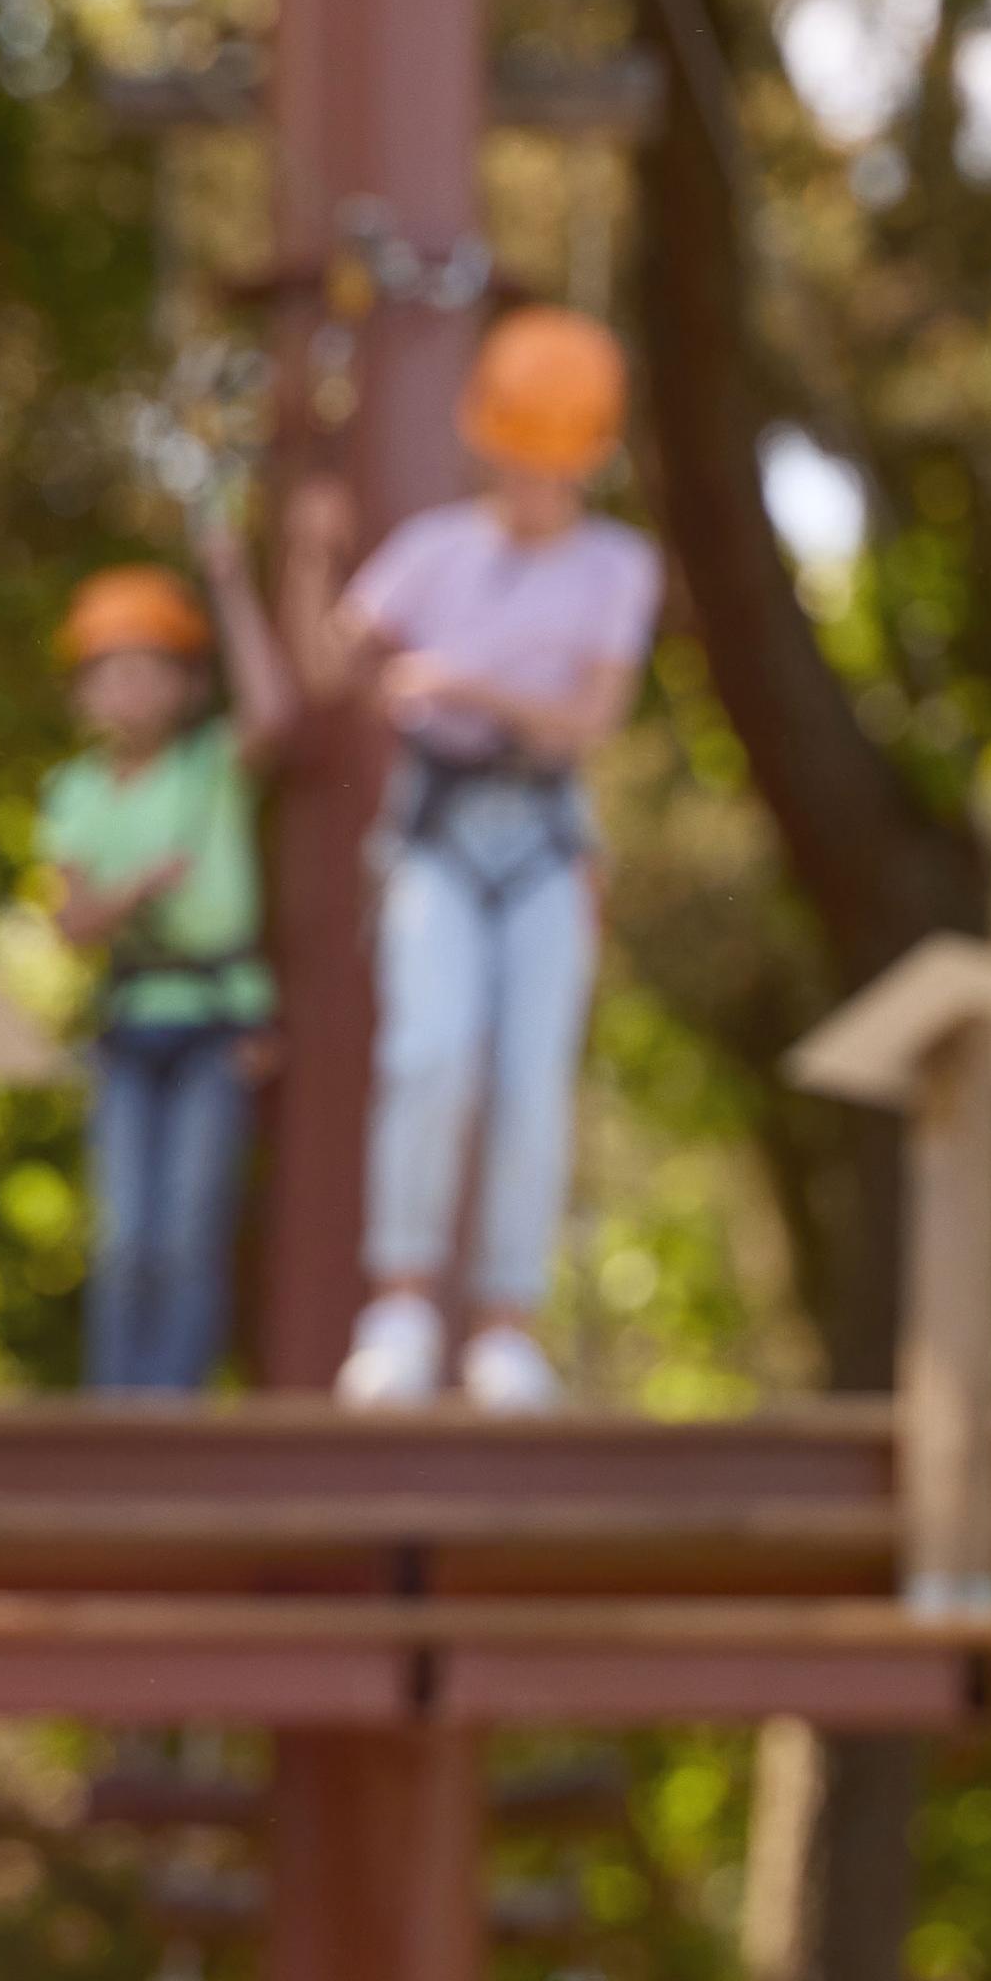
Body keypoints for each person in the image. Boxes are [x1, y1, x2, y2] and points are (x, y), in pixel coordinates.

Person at [278, 307, 662, 1414]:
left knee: (531, 1079)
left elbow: (586, 721)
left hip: (545, 843)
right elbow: (327, 665)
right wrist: (310, 549)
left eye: (555, 464)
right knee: (430, 1054)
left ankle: (504, 1326)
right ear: (486, 443)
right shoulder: (437, 550)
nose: (534, 481)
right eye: (518, 458)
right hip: (437, 839)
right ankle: (399, 1307)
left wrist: (459, 682)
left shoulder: (615, 565)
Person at [35, 531, 293, 1395]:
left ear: (186, 685)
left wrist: (229, 582)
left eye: (150, 670)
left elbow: (274, 718)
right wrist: (136, 889)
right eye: (113, 671)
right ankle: (116, 1412)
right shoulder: (72, 794)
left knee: (188, 1231)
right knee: (123, 1237)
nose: (131, 688)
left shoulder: (208, 768)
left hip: (218, 1025)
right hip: (126, 1026)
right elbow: (71, 924)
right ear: (85, 691)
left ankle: (170, 1409)